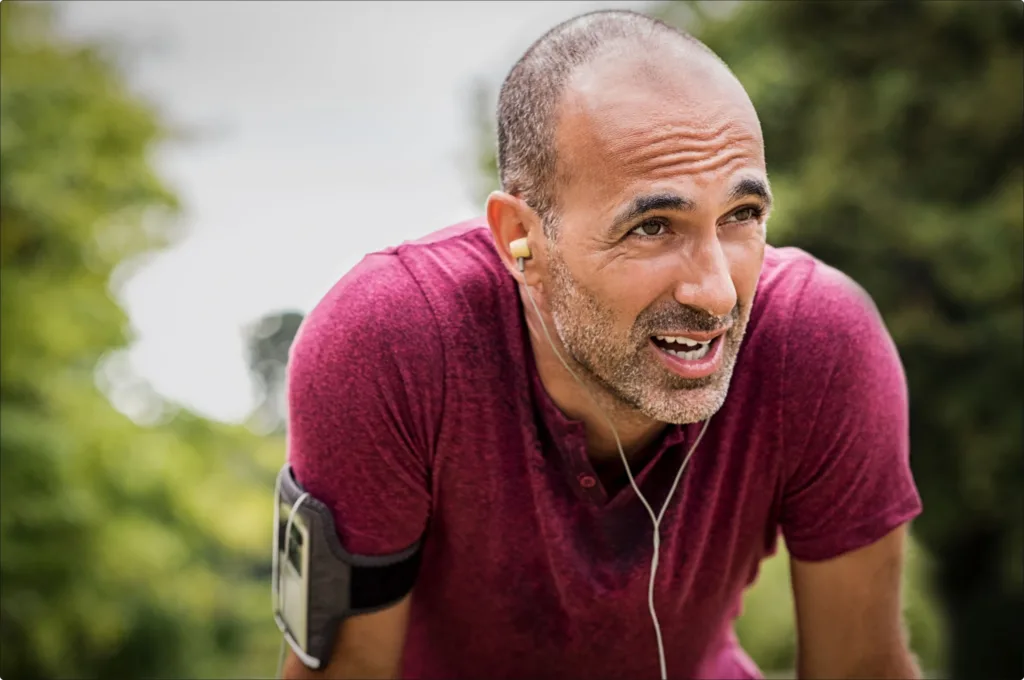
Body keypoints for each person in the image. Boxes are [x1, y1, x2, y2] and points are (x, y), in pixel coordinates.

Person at [281, 9, 923, 680]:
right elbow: (341, 672)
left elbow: (862, 666)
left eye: (741, 216)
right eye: (652, 226)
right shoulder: (389, 344)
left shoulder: (819, 341)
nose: (716, 294)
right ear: (518, 239)